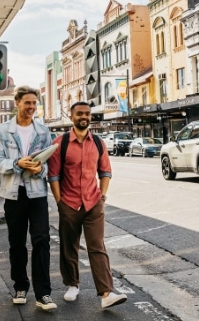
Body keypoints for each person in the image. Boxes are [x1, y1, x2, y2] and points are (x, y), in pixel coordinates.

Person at [47, 101, 128, 309]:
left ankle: (106, 293)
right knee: (69, 246)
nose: (84, 117)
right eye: (80, 113)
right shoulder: (60, 143)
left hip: (93, 203)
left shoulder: (99, 143)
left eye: (87, 114)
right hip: (69, 203)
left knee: (97, 247)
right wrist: (59, 202)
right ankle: (72, 284)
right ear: (72, 117)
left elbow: (106, 172)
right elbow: (53, 176)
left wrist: (102, 197)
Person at [0, 85, 57, 312]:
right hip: (13, 193)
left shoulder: (43, 131)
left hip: (37, 192)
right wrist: (17, 164)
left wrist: (40, 169)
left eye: (34, 103)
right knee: (17, 243)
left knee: (41, 240)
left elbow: (48, 163)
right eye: (27, 102)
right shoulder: (2, 131)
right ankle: (20, 286)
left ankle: (44, 293)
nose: (31, 107)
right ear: (17, 103)